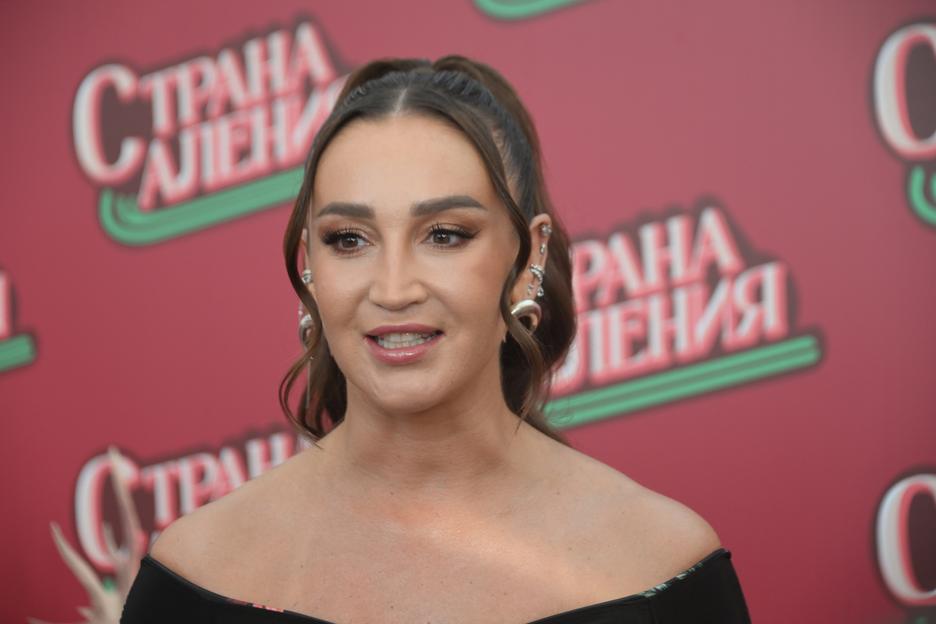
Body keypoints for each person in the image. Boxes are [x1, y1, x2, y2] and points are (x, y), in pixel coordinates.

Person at [120, 55, 752, 623]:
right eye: (349, 239)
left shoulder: (661, 563)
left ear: (528, 255)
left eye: (445, 235)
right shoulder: (197, 572)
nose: (393, 289)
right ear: (309, 262)